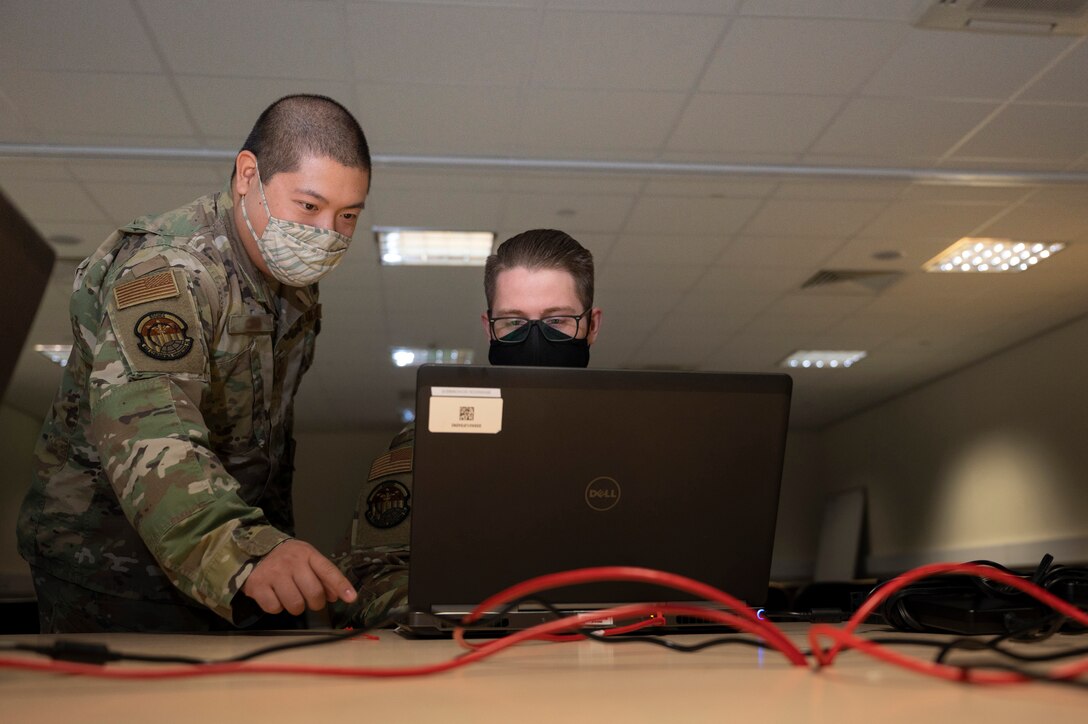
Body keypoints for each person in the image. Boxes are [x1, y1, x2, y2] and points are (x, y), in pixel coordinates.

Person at [17, 94, 371, 632]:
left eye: (347, 216)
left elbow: (262, 445)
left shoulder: (289, 285)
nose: (326, 233)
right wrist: (246, 552)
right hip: (115, 571)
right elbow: (152, 434)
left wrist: (274, 548)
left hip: (220, 557)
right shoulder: (169, 271)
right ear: (248, 175)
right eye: (309, 207)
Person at [331, 228, 602, 627]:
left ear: (591, 326)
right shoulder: (429, 441)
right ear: (488, 326)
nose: (535, 338)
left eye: (557, 320)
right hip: (473, 656)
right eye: (513, 322)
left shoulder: (639, 441)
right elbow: (372, 575)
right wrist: (470, 615)